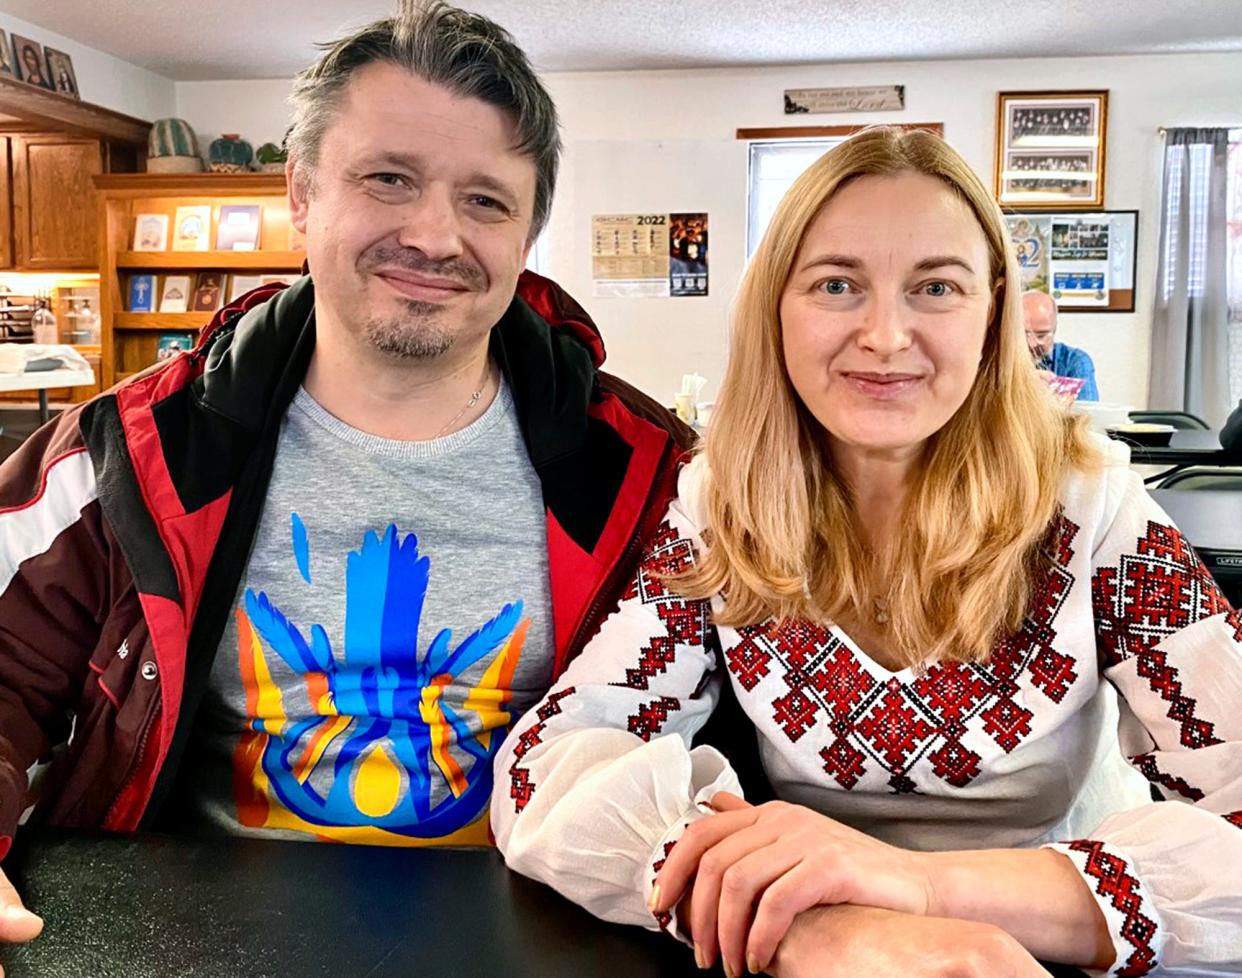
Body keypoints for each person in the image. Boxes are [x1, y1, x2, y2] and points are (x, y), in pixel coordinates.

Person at [0, 0, 691, 948]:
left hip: (539, 940)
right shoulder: (128, 452)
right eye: (389, 179)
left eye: (486, 200)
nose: (436, 236)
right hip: (191, 938)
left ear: (528, 233)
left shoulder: (651, 478)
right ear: (301, 193)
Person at [493, 128, 1242, 978]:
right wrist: (816, 924)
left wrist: (925, 892)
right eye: (837, 284)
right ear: (775, 303)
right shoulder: (721, 506)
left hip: (1044, 940)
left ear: (994, 309)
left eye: (936, 287)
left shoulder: (1092, 505)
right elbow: (545, 766)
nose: (885, 335)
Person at [1023, 289, 1099, 400]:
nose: (1032, 344)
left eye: (1041, 336)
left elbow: (1087, 415)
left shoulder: (1074, 361)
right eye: (1023, 335)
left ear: (1054, 329)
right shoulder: (997, 361)